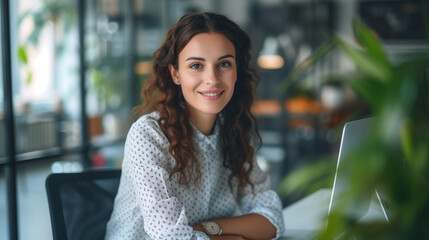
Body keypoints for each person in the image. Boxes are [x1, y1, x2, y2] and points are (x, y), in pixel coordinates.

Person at [105, 12, 285, 240]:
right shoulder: (149, 135)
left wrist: (207, 229)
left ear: (236, 70)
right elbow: (171, 237)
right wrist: (237, 236)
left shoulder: (234, 131)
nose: (212, 78)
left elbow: (273, 220)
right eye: (196, 66)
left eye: (224, 64)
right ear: (175, 73)